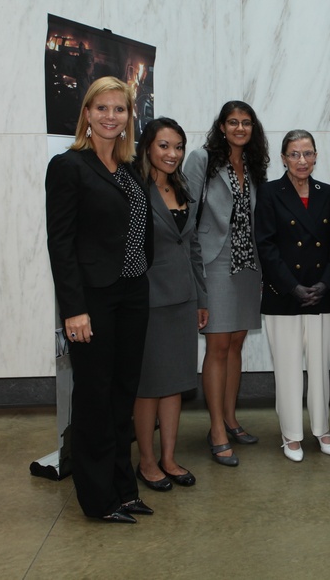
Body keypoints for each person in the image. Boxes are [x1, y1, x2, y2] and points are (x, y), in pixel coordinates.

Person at [46, 76, 155, 524]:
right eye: (102, 108)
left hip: (132, 293)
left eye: (120, 109)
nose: (112, 117)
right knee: (94, 398)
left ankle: (123, 489)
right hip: (91, 300)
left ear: (130, 117)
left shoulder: (130, 168)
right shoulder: (68, 166)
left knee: (122, 396)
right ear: (87, 114)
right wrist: (73, 308)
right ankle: (97, 499)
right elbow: (61, 244)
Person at [184, 101, 269, 466]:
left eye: (246, 123)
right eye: (233, 122)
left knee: (235, 345)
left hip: (248, 263)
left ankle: (231, 418)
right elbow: (186, 212)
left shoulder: (253, 164)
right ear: (221, 126)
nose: (239, 128)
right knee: (217, 346)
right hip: (214, 260)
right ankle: (216, 428)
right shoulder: (201, 160)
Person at [255, 130, 330, 462]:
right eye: (294, 154)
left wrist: (326, 283)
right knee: (288, 367)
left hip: (321, 294)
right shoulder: (268, 192)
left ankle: (322, 429)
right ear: (283, 158)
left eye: (308, 153)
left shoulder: (328, 192)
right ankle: (291, 434)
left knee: (320, 367)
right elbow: (265, 245)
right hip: (285, 294)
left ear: (316, 155)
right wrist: (292, 286)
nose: (302, 161)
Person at [131, 118, 208, 492]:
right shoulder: (133, 188)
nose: (173, 154)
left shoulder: (186, 186)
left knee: (175, 383)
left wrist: (201, 297)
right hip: (147, 301)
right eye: (164, 146)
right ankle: (146, 462)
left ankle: (169, 457)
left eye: (178, 146)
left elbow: (192, 246)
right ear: (148, 147)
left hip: (183, 299)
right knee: (148, 386)